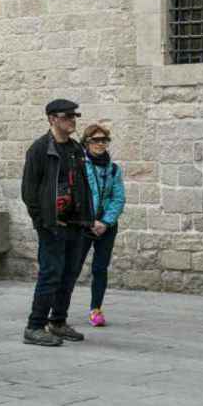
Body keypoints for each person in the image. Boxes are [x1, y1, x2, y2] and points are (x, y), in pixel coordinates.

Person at [21, 99, 94, 347]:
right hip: (52, 225)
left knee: (69, 274)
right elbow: (29, 191)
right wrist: (42, 221)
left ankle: (58, 321)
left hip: (76, 223)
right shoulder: (39, 150)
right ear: (52, 119)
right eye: (67, 116)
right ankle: (35, 325)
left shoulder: (75, 149)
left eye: (75, 116)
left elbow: (82, 184)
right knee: (50, 274)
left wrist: (87, 216)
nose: (72, 120)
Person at [78, 123, 126, 327]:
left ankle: (96, 309)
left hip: (106, 226)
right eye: (95, 140)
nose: (100, 144)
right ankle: (57, 309)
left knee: (100, 268)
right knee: (72, 267)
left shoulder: (113, 169)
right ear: (86, 142)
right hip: (83, 224)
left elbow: (118, 197)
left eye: (103, 140)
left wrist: (106, 222)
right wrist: (90, 221)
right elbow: (77, 196)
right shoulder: (79, 165)